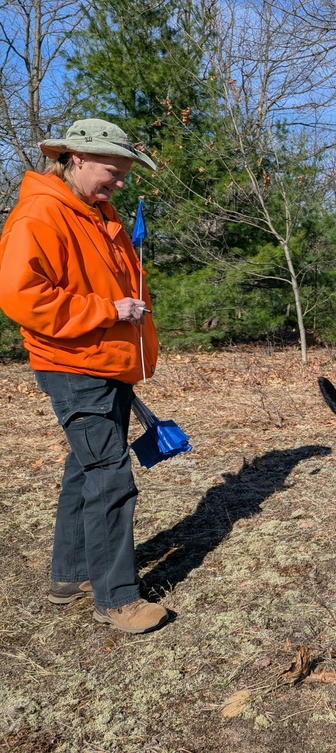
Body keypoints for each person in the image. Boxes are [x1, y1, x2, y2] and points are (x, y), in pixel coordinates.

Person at [0, 118, 168, 634]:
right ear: (76, 158)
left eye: (123, 174)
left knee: (87, 466)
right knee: (110, 477)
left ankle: (70, 576)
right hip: (74, 367)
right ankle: (116, 598)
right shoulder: (42, 213)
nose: (120, 182)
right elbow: (20, 297)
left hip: (105, 363)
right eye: (112, 171)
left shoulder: (96, 212)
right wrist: (107, 311)